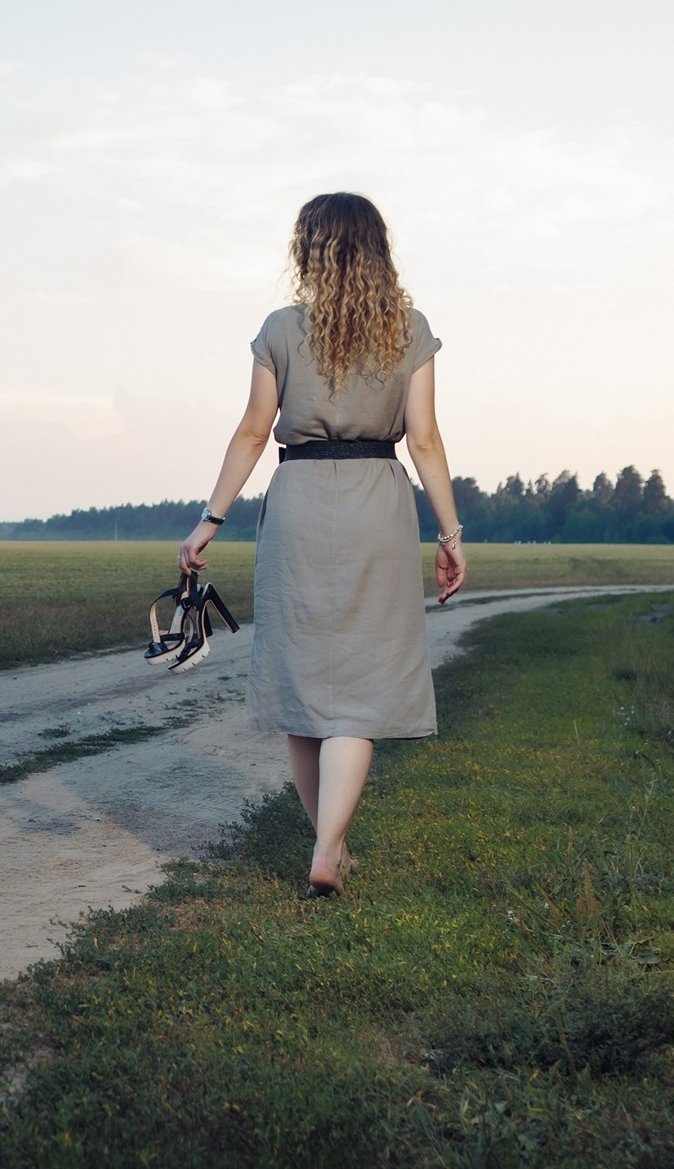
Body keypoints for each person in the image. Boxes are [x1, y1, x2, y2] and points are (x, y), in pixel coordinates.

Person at [178, 192, 465, 897]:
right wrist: (451, 534)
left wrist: (209, 520)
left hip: (300, 502)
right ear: (377, 250)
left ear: (309, 249)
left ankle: (327, 847)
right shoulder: (410, 330)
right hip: (376, 500)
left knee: (306, 681)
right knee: (360, 685)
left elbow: (252, 431)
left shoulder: (281, 328)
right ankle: (328, 847)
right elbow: (424, 439)